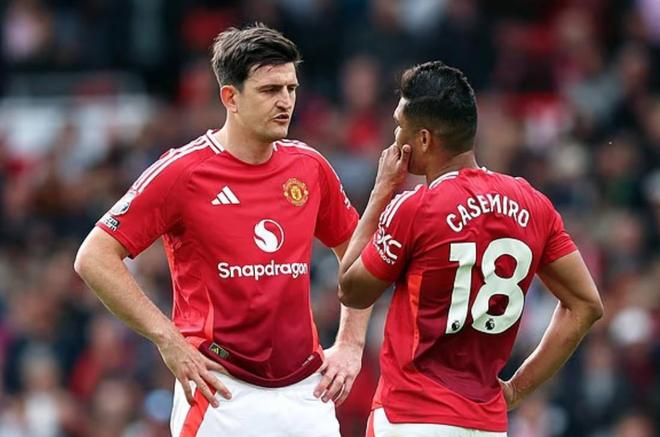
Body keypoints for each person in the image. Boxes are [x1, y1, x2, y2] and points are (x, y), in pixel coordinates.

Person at [74, 23, 371, 437]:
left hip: (307, 391)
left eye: (291, 88)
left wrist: (352, 343)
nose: (285, 101)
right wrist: (167, 339)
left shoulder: (309, 167)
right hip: (221, 393)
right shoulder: (183, 172)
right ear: (230, 97)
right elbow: (94, 257)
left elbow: (358, 256)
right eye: (270, 90)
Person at [338, 61, 604, 436]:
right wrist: (516, 389)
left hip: (412, 417)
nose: (395, 136)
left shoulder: (415, 208)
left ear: (424, 140)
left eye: (400, 125)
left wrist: (381, 192)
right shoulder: (533, 204)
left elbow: (351, 289)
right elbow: (586, 304)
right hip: (487, 424)